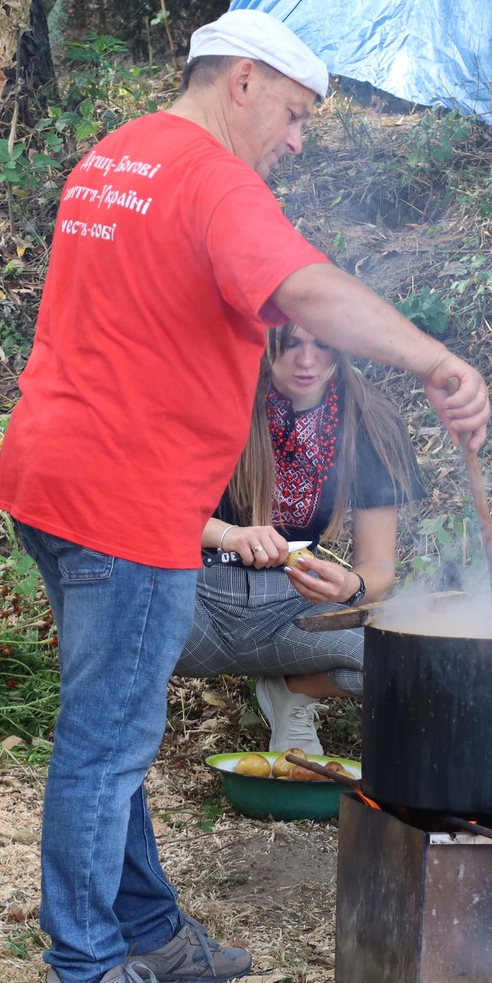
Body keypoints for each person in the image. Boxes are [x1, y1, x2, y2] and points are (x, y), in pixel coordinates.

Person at [0, 8, 490, 983]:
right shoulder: (214, 176)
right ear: (245, 80)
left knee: (113, 730)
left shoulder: (117, 155)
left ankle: (145, 928)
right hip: (122, 499)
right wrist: (432, 359)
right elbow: (304, 288)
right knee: (106, 745)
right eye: (297, 114)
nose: (297, 139)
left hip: (54, 472)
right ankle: (83, 975)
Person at [179, 322, 425, 754]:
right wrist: (228, 534)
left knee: (408, 664)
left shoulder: (371, 421)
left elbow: (379, 565)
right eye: (290, 344)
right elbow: (155, 508)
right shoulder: (219, 396)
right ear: (264, 340)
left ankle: (294, 691)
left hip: (294, 614)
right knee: (119, 631)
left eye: (322, 343)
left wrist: (351, 586)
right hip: (197, 603)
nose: (306, 360)